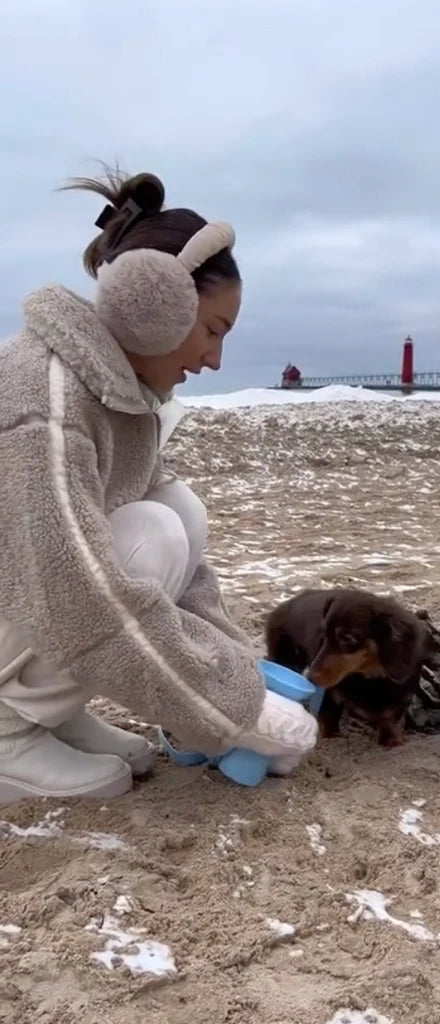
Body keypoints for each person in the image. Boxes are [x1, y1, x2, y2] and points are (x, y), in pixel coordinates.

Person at [0, 168, 318, 802]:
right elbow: (76, 590)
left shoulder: (119, 397)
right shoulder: (45, 399)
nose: (214, 360)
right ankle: (7, 731)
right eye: (213, 330)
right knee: (151, 533)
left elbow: (186, 581)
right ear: (152, 306)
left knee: (176, 511)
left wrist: (236, 676)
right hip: (30, 597)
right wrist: (230, 712)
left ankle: (49, 713)